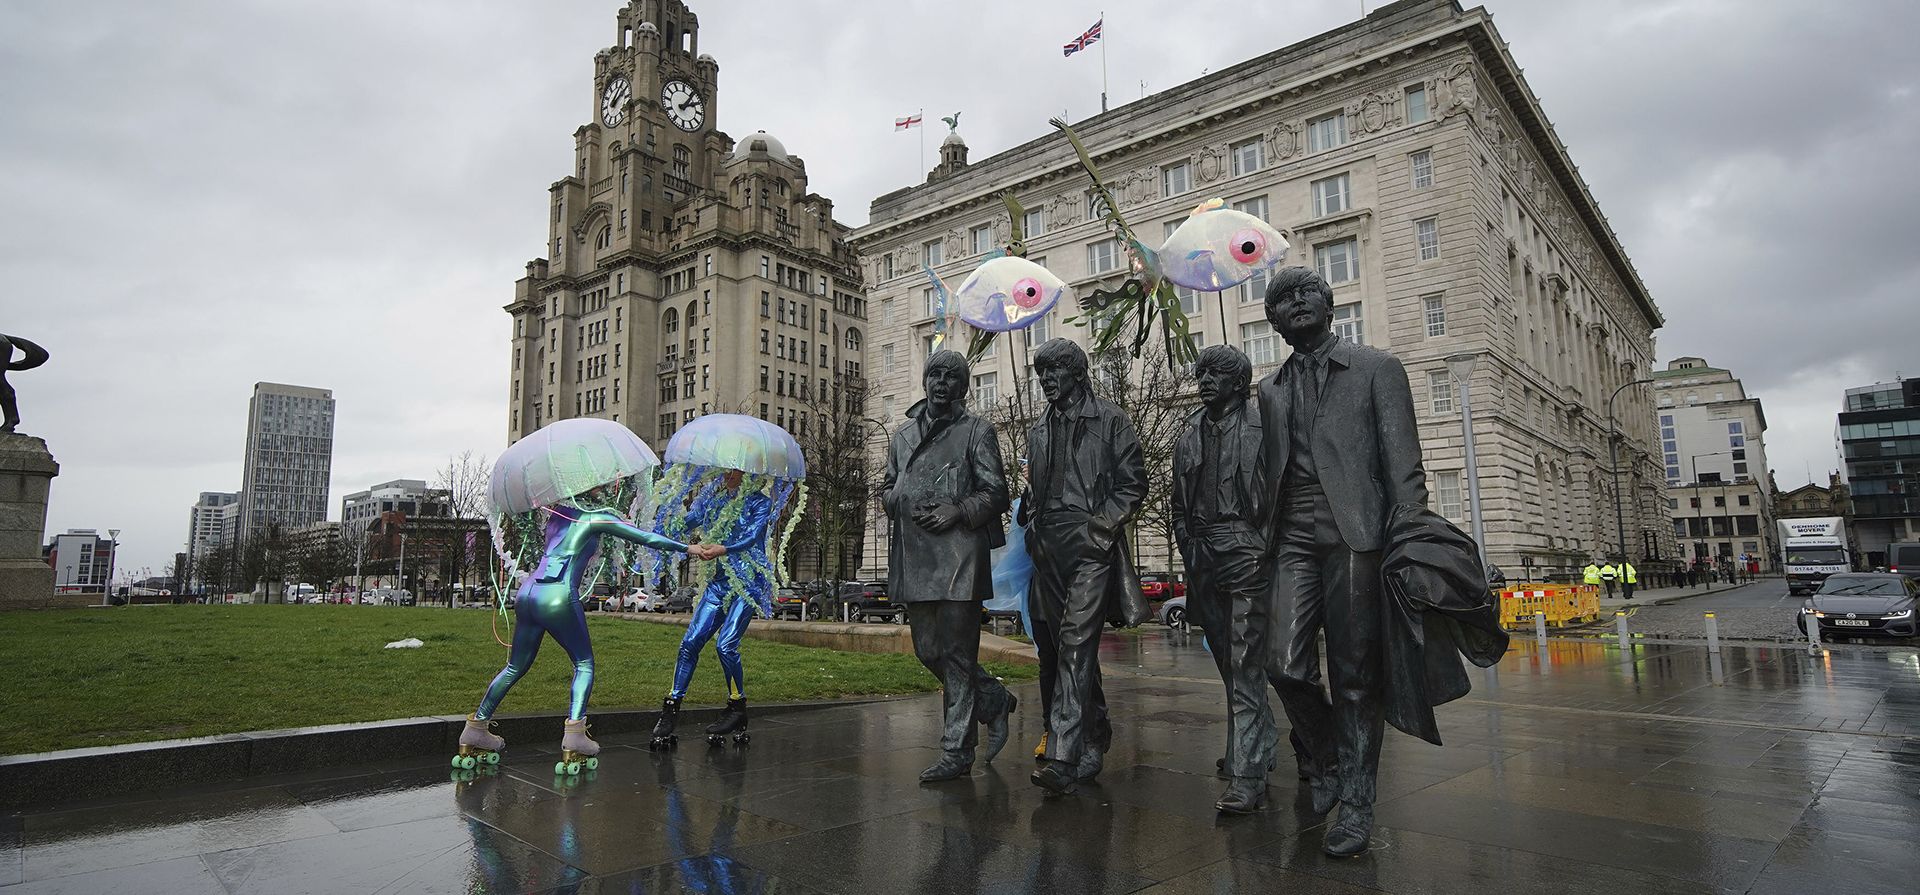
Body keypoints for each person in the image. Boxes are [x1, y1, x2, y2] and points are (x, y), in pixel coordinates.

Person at [1256, 267, 1428, 857]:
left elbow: (1403, 466)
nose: (1295, 302)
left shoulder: (1377, 369)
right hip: (1292, 538)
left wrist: (1408, 541)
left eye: (1307, 292)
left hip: (1356, 534)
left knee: (1356, 677)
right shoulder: (1270, 390)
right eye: (1281, 298)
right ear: (1272, 321)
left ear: (1331, 306)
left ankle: (1356, 800)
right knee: (1283, 664)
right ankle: (1328, 757)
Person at [457, 485, 699, 774]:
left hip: (529, 592)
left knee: (514, 667)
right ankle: (574, 735)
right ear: (589, 486)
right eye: (600, 482)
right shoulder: (594, 517)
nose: (607, 485)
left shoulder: (556, 514)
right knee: (583, 663)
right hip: (558, 595)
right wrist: (689, 548)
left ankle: (476, 728)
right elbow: (645, 537)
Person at [882, 351, 1019, 782]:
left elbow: (996, 491)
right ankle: (994, 699)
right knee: (928, 650)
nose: (941, 383)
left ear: (963, 387)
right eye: (935, 375)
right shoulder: (901, 436)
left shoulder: (977, 431)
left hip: (960, 553)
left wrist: (957, 510)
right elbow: (887, 487)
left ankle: (957, 752)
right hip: (915, 556)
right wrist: (896, 499)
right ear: (924, 381)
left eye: (951, 377)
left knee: (958, 656)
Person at [1021, 338, 1146, 795]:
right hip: (1048, 546)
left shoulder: (1110, 420)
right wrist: (1031, 518)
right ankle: (1095, 734)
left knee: (1075, 643)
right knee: (1062, 648)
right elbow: (1035, 490)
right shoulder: (1037, 429)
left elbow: (1133, 484)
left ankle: (1062, 752)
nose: (1047, 380)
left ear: (1077, 372)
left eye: (1054, 371)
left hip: (1090, 543)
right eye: (1041, 373)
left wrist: (1101, 528)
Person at [1172, 345, 1277, 813]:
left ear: (1240, 381)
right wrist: (1188, 547)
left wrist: (1262, 542)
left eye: (1216, 372)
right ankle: (1256, 740)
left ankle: (1246, 771)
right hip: (1203, 551)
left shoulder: (1263, 424)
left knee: (1244, 659)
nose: (1205, 379)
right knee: (1226, 662)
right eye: (1201, 372)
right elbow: (1177, 501)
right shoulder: (1188, 431)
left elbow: (1282, 488)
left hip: (1247, 546)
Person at [648, 469, 779, 749]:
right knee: (690, 643)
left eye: (736, 471)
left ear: (749, 475)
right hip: (719, 583)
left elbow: (753, 537)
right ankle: (671, 709)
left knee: (726, 645)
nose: (728, 476)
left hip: (748, 583)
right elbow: (688, 522)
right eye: (726, 470)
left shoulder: (760, 502)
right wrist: (665, 519)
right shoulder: (715, 502)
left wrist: (723, 548)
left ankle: (736, 707)